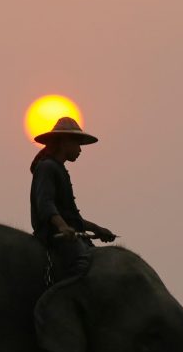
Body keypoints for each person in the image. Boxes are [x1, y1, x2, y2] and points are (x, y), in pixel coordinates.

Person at [29, 117, 117, 280]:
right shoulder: (47, 167)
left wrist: (97, 229)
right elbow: (45, 204)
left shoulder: (58, 168)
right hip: (54, 238)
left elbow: (70, 217)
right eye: (77, 144)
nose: (80, 150)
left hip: (70, 238)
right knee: (83, 269)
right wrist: (62, 227)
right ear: (63, 142)